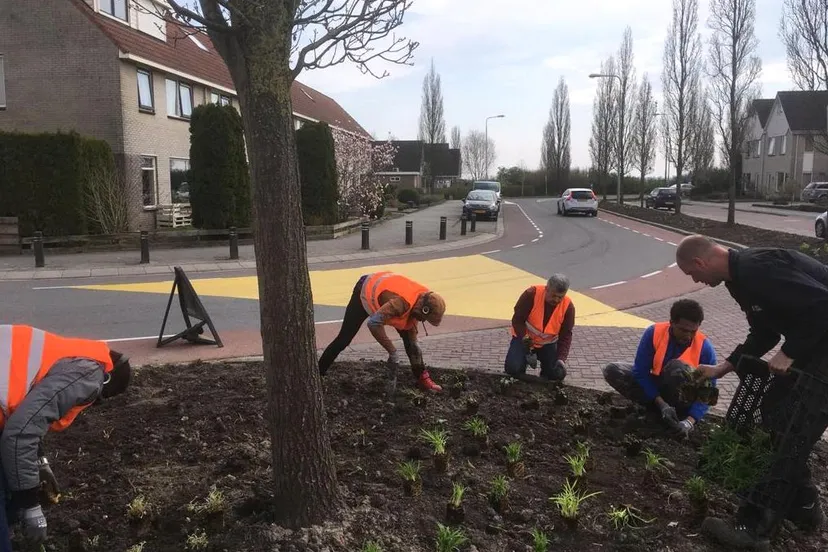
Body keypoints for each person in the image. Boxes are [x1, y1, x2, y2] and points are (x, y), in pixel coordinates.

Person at [675, 235, 828, 549]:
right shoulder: (738, 281)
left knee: (787, 430)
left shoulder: (758, 268)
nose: (697, 281)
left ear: (700, 262)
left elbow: (823, 304)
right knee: (775, 420)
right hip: (813, 350)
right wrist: (723, 367)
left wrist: (791, 351)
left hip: (820, 354)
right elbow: (764, 331)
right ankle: (805, 507)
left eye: (693, 275)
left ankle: (754, 529)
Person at [0, 324, 132, 549]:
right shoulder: (89, 374)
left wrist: (40, 462)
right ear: (106, 380)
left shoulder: (67, 355)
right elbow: (19, 435)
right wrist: (31, 508)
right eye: (99, 398)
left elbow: (24, 413)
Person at [602, 298, 718, 437]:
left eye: (693, 331)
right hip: (657, 389)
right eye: (683, 330)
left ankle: (673, 417)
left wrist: (689, 422)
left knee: (676, 367)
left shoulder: (705, 348)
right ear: (672, 323)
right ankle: (654, 410)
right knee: (613, 370)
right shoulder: (654, 333)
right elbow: (640, 371)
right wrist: (662, 404)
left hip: (684, 399)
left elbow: (707, 393)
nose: (688, 335)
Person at [318, 271, 446, 393]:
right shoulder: (402, 304)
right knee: (343, 339)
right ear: (423, 310)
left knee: (410, 343)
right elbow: (373, 323)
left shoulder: (423, 298)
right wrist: (392, 351)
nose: (423, 321)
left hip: (388, 297)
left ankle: (422, 379)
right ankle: (318, 374)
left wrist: (415, 349)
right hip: (364, 292)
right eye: (425, 319)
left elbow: (412, 344)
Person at [504, 273, 574, 381]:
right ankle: (521, 369)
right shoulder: (531, 294)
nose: (556, 300)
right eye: (553, 295)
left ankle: (545, 375)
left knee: (556, 374)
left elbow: (566, 335)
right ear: (547, 289)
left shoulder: (568, 306)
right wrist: (526, 341)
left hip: (548, 345)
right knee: (513, 369)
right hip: (525, 340)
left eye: (560, 297)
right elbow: (517, 320)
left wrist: (561, 359)